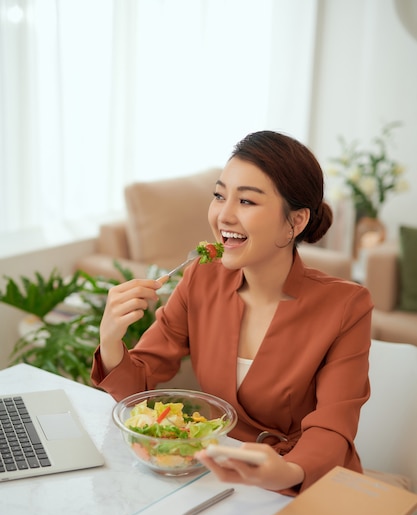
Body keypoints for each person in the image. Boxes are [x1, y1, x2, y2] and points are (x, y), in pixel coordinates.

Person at [91, 130, 373, 496]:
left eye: (247, 202)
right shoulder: (200, 278)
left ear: (296, 222)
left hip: (306, 480)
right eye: (220, 195)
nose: (224, 215)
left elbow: (333, 428)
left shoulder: (346, 306)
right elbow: (139, 385)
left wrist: (287, 472)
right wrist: (111, 340)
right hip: (219, 474)